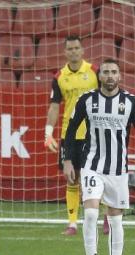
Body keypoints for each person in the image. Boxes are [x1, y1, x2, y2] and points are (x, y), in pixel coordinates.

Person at [63, 58, 135, 255]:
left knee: (115, 220)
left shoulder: (131, 102)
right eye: (105, 72)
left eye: (114, 72)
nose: (109, 76)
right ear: (100, 76)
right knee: (92, 213)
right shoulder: (86, 100)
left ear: (120, 76)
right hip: (92, 166)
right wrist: (67, 160)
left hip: (117, 170)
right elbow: (71, 130)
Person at [44, 35, 99, 236]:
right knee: (72, 178)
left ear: (82, 50)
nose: (74, 51)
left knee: (97, 178)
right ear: (65, 52)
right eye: (70, 48)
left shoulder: (94, 72)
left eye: (77, 48)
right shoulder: (59, 77)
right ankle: (73, 223)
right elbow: (54, 106)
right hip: (70, 134)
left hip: (93, 133)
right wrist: (48, 133)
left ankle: (105, 220)